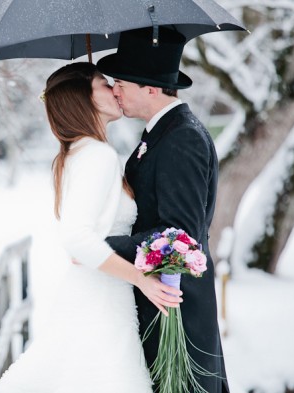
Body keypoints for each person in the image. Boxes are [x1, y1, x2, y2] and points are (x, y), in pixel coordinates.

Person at [0, 62, 182, 393]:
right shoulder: (96, 155)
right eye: (104, 85)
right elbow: (76, 237)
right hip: (101, 303)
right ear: (85, 99)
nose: (115, 90)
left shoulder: (79, 152)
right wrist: (141, 278)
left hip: (97, 295)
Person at [96, 27, 229, 392]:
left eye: (121, 82)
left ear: (150, 88)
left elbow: (178, 234)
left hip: (175, 306)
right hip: (160, 296)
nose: (115, 90)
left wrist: (102, 247)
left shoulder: (181, 138)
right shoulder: (163, 132)